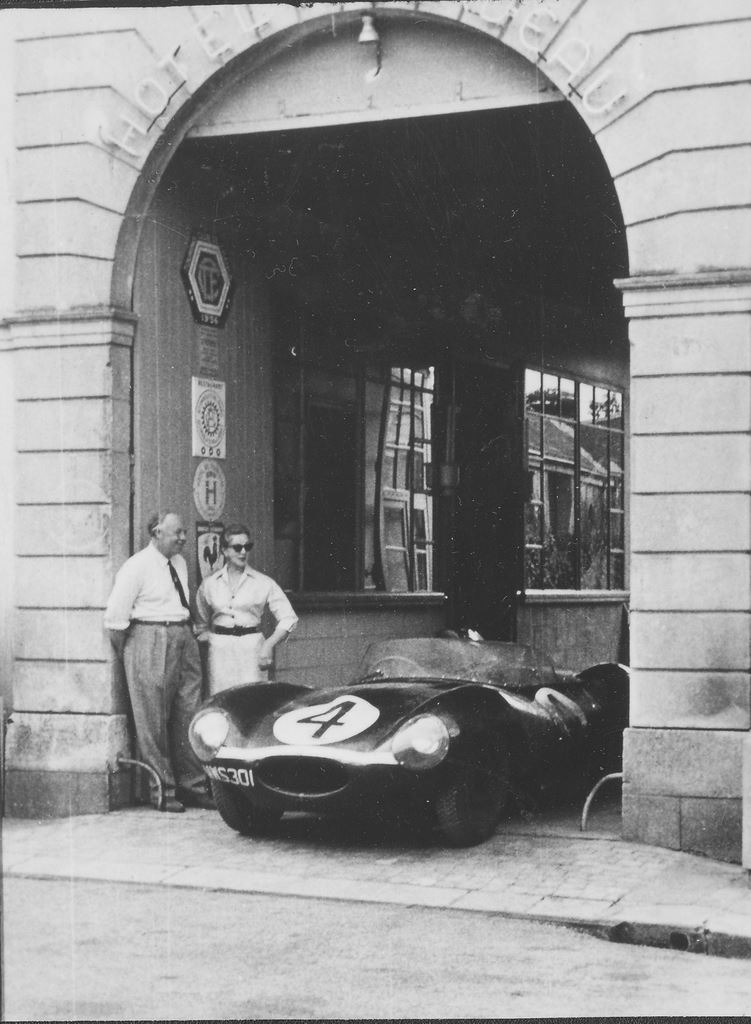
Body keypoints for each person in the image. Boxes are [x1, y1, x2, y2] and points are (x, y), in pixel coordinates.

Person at [104, 510, 214, 813]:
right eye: (177, 532)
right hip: (149, 636)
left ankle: (193, 786)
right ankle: (162, 790)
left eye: (183, 533)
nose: (183, 538)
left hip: (183, 636)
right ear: (156, 532)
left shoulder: (179, 563)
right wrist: (136, 652)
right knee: (152, 718)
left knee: (188, 712)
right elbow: (115, 619)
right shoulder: (136, 567)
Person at [195, 523, 298, 695]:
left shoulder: (263, 582)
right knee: (221, 700)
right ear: (224, 551)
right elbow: (200, 621)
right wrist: (209, 636)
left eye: (247, 547)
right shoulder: (210, 584)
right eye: (237, 547)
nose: (243, 552)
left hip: (252, 651)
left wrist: (269, 644)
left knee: (252, 699)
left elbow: (289, 618)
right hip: (220, 653)